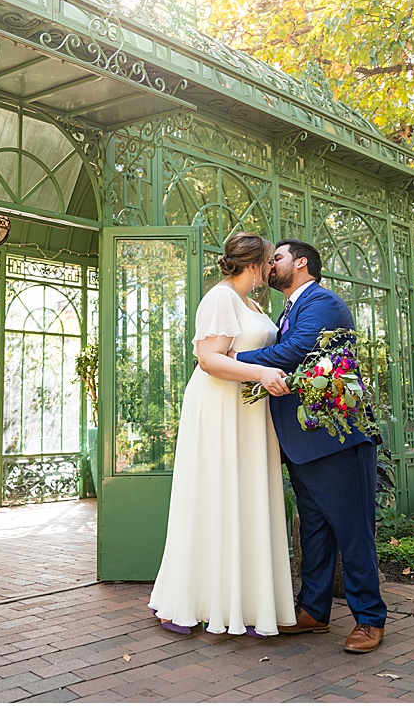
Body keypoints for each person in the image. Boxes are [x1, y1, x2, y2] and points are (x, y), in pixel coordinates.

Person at [234, 239, 387, 653]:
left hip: (336, 440)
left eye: (277, 257)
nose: (270, 265)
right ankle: (314, 612)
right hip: (302, 442)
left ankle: (370, 618)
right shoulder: (286, 309)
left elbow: (298, 351)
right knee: (315, 531)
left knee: (353, 532)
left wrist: (233, 361)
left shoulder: (323, 301)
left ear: (300, 264)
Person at [148, 232, 297, 637]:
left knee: (245, 498)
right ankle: (193, 599)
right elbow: (209, 359)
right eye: (268, 260)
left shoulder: (251, 302)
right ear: (254, 264)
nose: (271, 268)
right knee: (213, 496)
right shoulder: (220, 298)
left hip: (248, 412)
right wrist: (263, 373)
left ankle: (245, 603)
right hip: (219, 407)